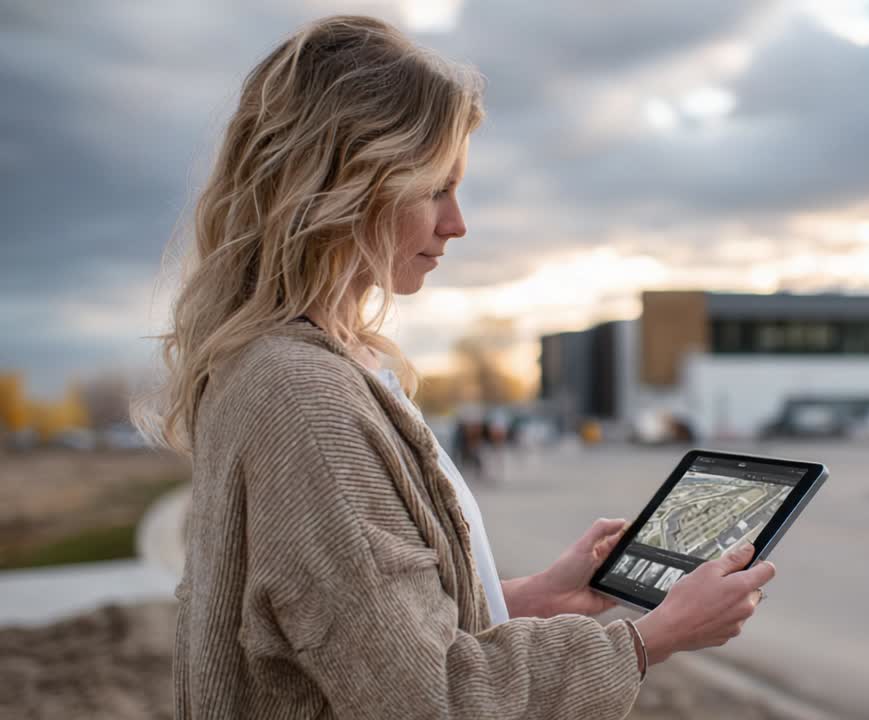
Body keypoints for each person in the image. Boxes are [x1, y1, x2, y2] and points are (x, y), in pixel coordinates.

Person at [134, 14, 776, 720]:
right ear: (345, 186)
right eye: (435, 187)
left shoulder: (308, 367)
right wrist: (651, 638)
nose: (457, 223)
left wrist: (530, 597)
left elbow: (358, 637)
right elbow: (431, 697)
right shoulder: (304, 398)